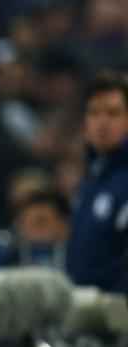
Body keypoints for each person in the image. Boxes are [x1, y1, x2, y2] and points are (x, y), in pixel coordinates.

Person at [67, 71, 128, 295]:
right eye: (94, 113)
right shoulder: (91, 180)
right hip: (85, 312)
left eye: (113, 113)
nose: (102, 122)